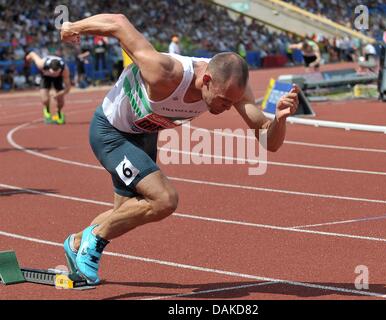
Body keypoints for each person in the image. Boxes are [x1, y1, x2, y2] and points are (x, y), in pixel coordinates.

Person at [60, 14, 299, 285]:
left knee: (126, 212)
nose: (225, 108)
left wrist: (280, 119)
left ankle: (77, 242)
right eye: (222, 101)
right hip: (111, 133)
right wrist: (72, 27)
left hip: (145, 135)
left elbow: (270, 142)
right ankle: (94, 243)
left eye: (231, 103)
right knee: (164, 199)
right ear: (206, 79)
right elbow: (117, 23)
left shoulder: (234, 90)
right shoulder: (164, 72)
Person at [25, 52, 71, 124]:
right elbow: (32, 54)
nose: (54, 73)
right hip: (46, 77)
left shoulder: (64, 70)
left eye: (56, 72)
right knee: (45, 99)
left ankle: (58, 112)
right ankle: (47, 110)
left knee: (61, 101)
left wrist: (59, 94)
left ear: (60, 69)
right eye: (53, 72)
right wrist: (27, 58)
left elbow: (68, 88)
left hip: (58, 79)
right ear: (49, 68)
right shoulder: (41, 64)